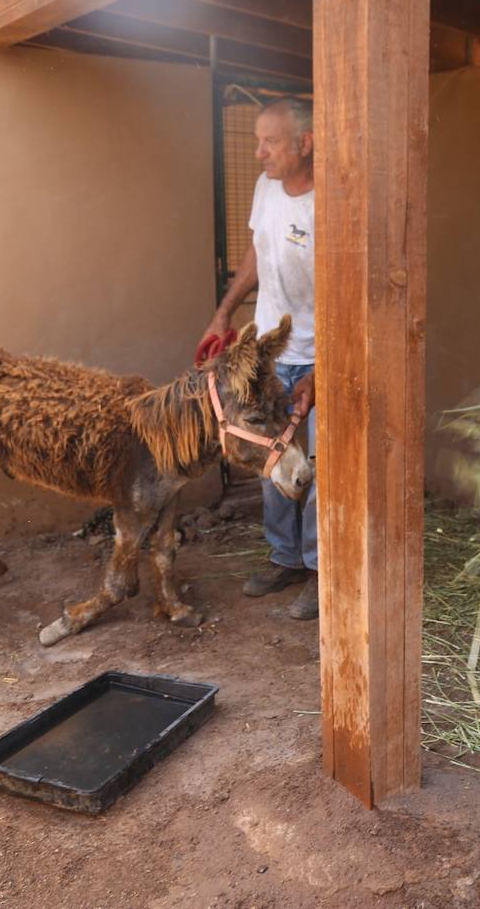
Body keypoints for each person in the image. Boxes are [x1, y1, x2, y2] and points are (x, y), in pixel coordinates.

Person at [197, 98, 320, 620]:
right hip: (271, 349)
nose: (258, 151)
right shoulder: (267, 187)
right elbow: (256, 253)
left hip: (321, 352)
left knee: (320, 469)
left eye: (269, 141)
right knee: (269, 452)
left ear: (305, 143)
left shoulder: (331, 201)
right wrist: (224, 313)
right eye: (257, 139)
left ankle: (320, 570)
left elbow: (350, 291)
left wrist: (326, 367)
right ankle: (285, 557)